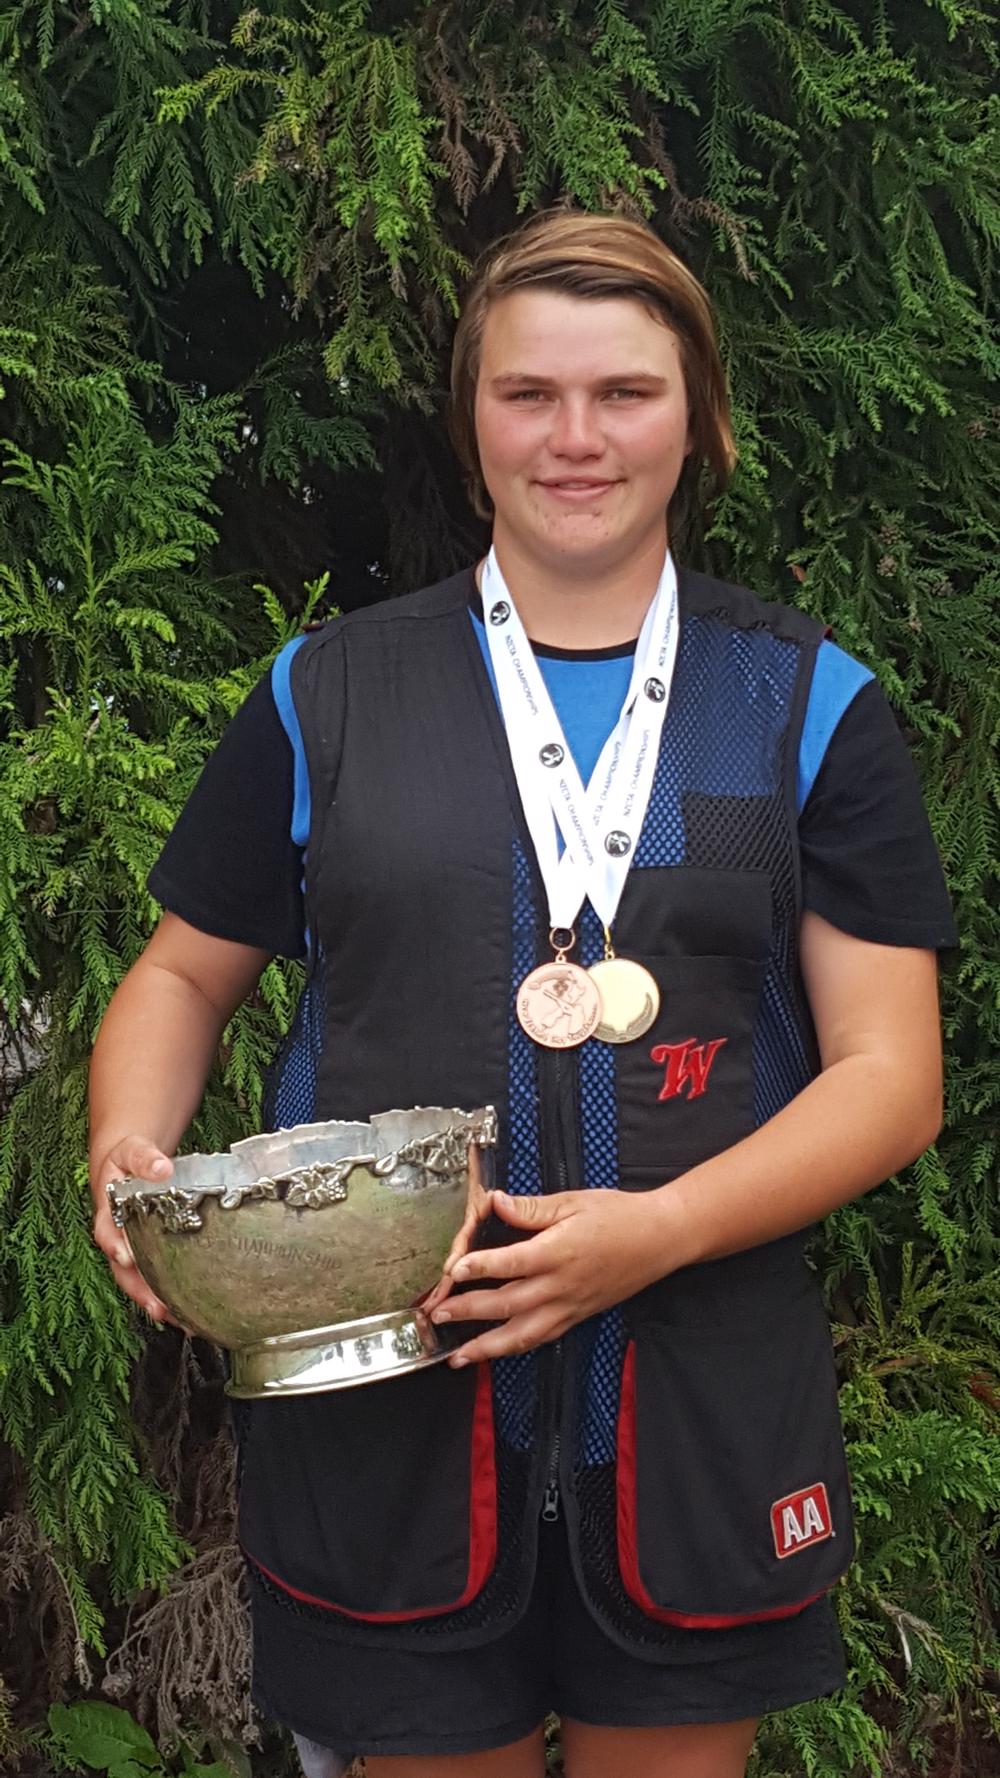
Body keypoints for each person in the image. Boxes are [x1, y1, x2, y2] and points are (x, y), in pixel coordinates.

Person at [89, 211, 956, 1778]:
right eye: (528, 394)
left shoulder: (807, 703)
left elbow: (891, 1075)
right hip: (392, 1403)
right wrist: (125, 1151)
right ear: (470, 418)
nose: (576, 437)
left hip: (696, 1405)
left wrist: (658, 1231)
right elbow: (179, 973)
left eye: (625, 392)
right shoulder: (326, 692)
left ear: (698, 416)